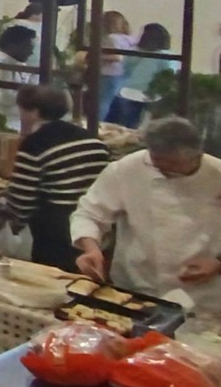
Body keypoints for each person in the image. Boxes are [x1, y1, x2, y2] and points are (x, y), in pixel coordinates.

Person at [72, 117, 221, 316]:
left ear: (197, 156)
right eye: (156, 161)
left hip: (205, 298)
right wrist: (91, 249)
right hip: (137, 289)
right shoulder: (127, 169)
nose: (161, 168)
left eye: (173, 164)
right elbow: (89, 213)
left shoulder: (216, 174)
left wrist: (217, 263)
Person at [4, 85, 113, 271]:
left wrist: (12, 223)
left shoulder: (35, 144)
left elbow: (22, 200)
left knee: (54, 283)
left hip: (56, 232)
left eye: (21, 109)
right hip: (95, 229)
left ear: (34, 112)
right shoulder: (93, 140)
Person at [108, 22, 173, 127]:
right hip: (150, 94)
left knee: (122, 123)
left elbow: (125, 68)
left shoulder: (134, 51)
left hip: (127, 90)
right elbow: (167, 75)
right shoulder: (165, 56)